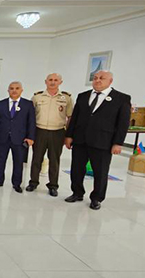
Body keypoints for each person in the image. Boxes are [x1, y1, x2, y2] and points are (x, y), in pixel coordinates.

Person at [65, 70, 130, 210]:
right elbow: (75, 118)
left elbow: (123, 123)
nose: (98, 80)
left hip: (103, 141)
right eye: (95, 78)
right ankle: (77, 193)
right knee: (76, 169)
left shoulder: (121, 98)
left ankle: (96, 198)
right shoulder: (83, 96)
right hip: (80, 140)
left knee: (100, 172)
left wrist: (118, 143)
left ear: (110, 81)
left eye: (102, 78)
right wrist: (69, 135)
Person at [26, 73, 73, 197]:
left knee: (54, 160)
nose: (53, 82)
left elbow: (70, 117)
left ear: (60, 82)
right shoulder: (37, 97)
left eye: (56, 80)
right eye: (50, 80)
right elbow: (30, 116)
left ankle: (53, 185)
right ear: (45, 82)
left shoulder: (66, 98)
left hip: (57, 132)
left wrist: (68, 134)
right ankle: (33, 182)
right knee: (37, 158)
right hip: (39, 131)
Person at [0, 81, 36, 193]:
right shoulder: (0, 104)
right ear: (8, 90)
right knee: (0, 161)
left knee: (18, 162)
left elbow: (31, 122)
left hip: (20, 139)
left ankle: (17, 184)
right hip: (2, 138)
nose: (14, 90)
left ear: (21, 90)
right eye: (11, 88)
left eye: (17, 88)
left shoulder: (28, 104)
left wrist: (30, 137)